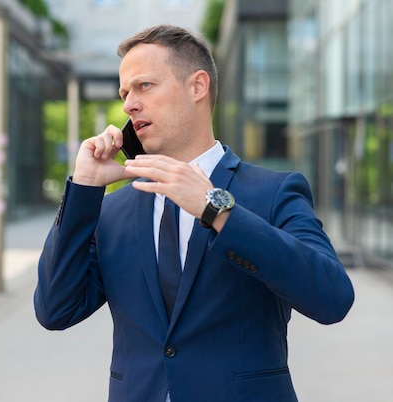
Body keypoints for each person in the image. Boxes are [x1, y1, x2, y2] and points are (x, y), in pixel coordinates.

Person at [34, 24, 354, 402]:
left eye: (144, 86)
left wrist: (217, 209)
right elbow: (56, 310)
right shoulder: (113, 211)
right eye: (124, 93)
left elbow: (332, 298)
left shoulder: (273, 192)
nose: (128, 105)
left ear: (197, 86)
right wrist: (84, 191)